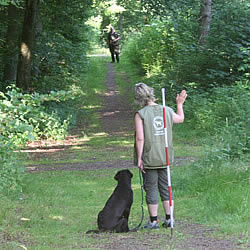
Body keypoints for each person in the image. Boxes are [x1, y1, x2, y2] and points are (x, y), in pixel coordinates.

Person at [134, 83, 187, 229]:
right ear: (151, 93)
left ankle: (153, 220)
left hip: (150, 158)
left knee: (151, 188)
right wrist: (179, 104)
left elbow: (140, 138)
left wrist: (139, 158)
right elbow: (180, 119)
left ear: (138, 98)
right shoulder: (166, 110)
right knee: (166, 187)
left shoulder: (141, 114)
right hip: (165, 156)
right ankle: (169, 218)